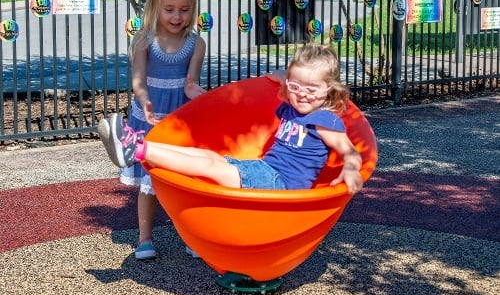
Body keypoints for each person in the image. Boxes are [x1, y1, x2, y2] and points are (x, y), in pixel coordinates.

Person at [98, 43, 363, 198]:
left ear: (329, 89)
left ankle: (137, 150)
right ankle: (137, 144)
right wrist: (287, 79)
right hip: (263, 171)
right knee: (210, 157)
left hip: (280, 183)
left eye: (312, 89)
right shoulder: (293, 105)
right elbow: (280, 74)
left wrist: (351, 169)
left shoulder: (324, 119)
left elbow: (349, 151)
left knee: (211, 169)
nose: (302, 95)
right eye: (295, 87)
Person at [98, 0, 206, 260]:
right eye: (169, 9)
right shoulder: (144, 40)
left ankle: (190, 235)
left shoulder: (196, 44)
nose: (176, 16)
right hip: (149, 117)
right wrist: (144, 100)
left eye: (184, 10)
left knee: (184, 182)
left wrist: (195, 91)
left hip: (179, 119)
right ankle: (145, 239)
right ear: (155, 8)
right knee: (148, 184)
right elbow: (138, 81)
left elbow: (190, 81)